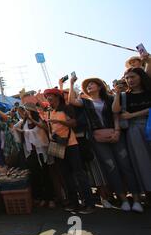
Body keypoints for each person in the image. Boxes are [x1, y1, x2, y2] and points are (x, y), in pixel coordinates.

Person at [69, 76, 143, 213]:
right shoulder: (85, 102)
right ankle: (123, 200)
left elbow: (116, 115)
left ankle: (137, 199)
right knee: (111, 167)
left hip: (116, 135)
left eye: (92, 84)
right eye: (88, 85)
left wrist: (117, 131)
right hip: (98, 138)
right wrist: (71, 83)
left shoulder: (109, 99)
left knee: (126, 165)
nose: (89, 86)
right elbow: (72, 101)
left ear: (99, 86)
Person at [43, 88, 96, 214]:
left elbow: (73, 123)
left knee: (79, 173)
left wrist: (60, 121)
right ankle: (74, 203)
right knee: (65, 176)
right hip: (57, 145)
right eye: (47, 96)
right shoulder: (49, 111)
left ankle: (89, 203)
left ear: (57, 97)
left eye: (51, 95)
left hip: (71, 144)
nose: (49, 97)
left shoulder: (66, 108)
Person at [113, 68, 151, 198]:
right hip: (135, 130)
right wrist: (117, 94)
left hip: (147, 124)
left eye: (133, 76)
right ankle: (148, 192)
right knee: (142, 161)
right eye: (127, 78)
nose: (130, 80)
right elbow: (115, 110)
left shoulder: (148, 91)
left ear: (141, 76)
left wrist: (133, 114)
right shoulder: (125, 96)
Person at [14, 104, 55, 208]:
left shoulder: (38, 120)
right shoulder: (23, 123)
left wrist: (28, 126)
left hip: (41, 151)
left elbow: (43, 128)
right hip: (31, 152)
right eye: (21, 112)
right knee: (36, 175)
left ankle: (50, 198)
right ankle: (41, 198)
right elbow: (14, 128)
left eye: (25, 111)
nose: (23, 114)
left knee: (46, 175)